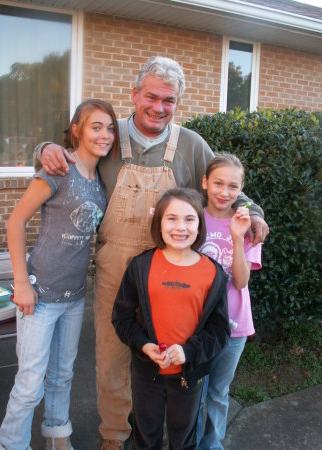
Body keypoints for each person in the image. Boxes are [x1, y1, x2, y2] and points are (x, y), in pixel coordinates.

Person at [33, 56, 269, 450]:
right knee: (112, 358)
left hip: (176, 270)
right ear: (135, 94)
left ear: (178, 103)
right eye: (151, 97)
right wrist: (46, 148)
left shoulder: (191, 144)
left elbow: (226, 187)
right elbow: (67, 153)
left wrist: (255, 212)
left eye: (169, 100)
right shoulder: (109, 134)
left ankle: (169, 436)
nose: (159, 107)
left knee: (171, 356)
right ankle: (114, 436)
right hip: (117, 266)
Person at [0, 99, 119, 450]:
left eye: (110, 128)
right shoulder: (57, 169)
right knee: (30, 381)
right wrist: (21, 283)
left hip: (75, 296)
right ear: (77, 130)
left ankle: (56, 434)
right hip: (40, 294)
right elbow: (16, 221)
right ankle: (11, 444)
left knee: (63, 375)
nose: (105, 134)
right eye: (96, 126)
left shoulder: (99, 180)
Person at [112, 188, 230, 450]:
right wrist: (143, 344)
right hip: (146, 374)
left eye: (189, 219)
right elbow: (121, 318)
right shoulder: (141, 267)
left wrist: (189, 351)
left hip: (188, 377)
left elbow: (220, 330)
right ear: (159, 223)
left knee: (184, 439)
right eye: (171, 218)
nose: (180, 227)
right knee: (146, 436)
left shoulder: (213, 273)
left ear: (200, 225)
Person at [196, 153, 262, 450]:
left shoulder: (246, 226)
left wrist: (237, 238)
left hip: (234, 325)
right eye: (218, 183)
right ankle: (191, 444)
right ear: (205, 182)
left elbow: (240, 281)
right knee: (195, 392)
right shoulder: (193, 218)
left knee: (219, 393)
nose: (224, 192)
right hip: (196, 325)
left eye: (233, 186)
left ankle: (212, 445)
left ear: (242, 189)